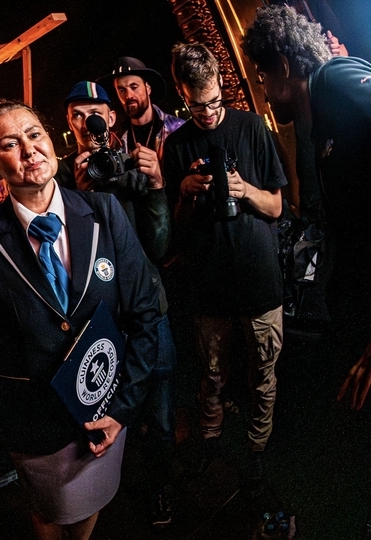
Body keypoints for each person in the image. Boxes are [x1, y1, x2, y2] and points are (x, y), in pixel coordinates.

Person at [0, 100, 160, 540]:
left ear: (52, 141)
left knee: (91, 504)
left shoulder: (104, 213)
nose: (29, 151)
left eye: (35, 135)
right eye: (9, 144)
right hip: (36, 425)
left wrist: (121, 409)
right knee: (48, 513)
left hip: (103, 410)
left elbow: (144, 316)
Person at [162, 42, 287, 484]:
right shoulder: (175, 146)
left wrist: (243, 190)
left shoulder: (252, 127)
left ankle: (257, 449)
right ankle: (210, 441)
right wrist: (185, 192)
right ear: (183, 94)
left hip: (259, 283)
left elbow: (275, 207)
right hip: (208, 285)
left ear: (220, 87)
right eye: (198, 107)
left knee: (262, 377)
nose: (210, 114)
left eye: (215, 102)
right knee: (212, 375)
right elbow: (174, 230)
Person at [57, 80, 177, 528]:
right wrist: (81, 194)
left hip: (148, 307)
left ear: (111, 117)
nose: (89, 122)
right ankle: (101, 494)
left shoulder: (135, 164)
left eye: (97, 112)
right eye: (77, 114)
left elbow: (160, 245)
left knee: (161, 414)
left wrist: (158, 185)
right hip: (97, 319)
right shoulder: (63, 178)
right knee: (97, 411)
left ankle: (161, 485)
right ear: (69, 124)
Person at [241, 5, 371, 410]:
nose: (262, 92)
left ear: (282, 66)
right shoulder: (317, 117)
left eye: (262, 78)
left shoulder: (332, 80)